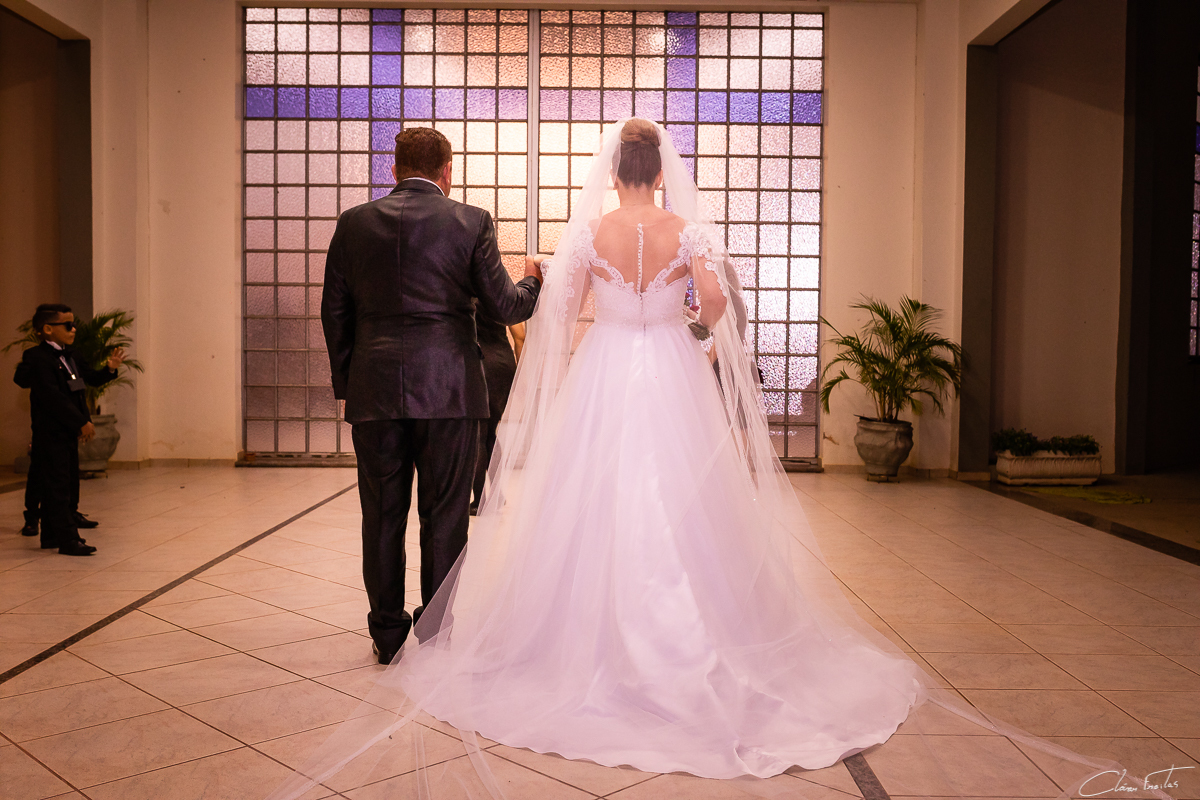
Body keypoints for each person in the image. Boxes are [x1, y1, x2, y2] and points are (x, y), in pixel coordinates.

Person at [269, 120, 1161, 800]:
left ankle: (428, 629)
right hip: (666, 375)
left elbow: (546, 316)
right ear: (659, 172)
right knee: (682, 511)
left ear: (611, 174)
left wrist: (568, 316)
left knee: (568, 511)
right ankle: (686, 639)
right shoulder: (690, 233)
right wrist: (683, 328)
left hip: (589, 376)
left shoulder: (579, 238)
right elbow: (711, 313)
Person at [321, 127, 542, 667]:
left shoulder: (353, 224)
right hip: (449, 390)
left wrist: (351, 383)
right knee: (444, 515)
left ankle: (387, 633)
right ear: (448, 170)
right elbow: (506, 306)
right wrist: (534, 281)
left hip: (375, 390)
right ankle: (436, 626)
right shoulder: (470, 221)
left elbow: (335, 312)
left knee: (382, 513)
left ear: (393, 169)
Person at [14, 304, 122, 555]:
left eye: (73, 324)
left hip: (67, 432)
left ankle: (52, 536)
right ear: (48, 329)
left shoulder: (71, 356)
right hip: (50, 431)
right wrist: (80, 422)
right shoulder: (37, 358)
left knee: (67, 482)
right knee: (58, 486)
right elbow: (53, 398)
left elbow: (89, 380)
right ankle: (68, 540)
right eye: (68, 325)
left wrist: (110, 368)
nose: (74, 329)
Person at [469, 300, 521, 516]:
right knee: (491, 432)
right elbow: (520, 335)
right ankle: (497, 494)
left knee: (479, 434)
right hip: (503, 363)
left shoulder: (464, 285)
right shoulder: (497, 287)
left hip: (479, 362)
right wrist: (519, 371)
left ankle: (479, 500)